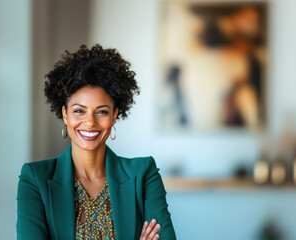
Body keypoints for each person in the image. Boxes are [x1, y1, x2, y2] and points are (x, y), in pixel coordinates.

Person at [16, 44, 177, 240]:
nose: (90, 122)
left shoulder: (143, 174)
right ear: (65, 114)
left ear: (115, 115)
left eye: (101, 111)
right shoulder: (35, 179)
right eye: (79, 111)